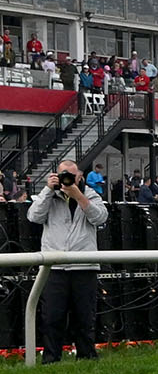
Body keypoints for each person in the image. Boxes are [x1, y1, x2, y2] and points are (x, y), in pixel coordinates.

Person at [27, 155, 106, 363]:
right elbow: (33, 217)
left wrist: (79, 196)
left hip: (85, 265)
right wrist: (47, 190)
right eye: (64, 176)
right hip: (54, 266)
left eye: (71, 176)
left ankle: (87, 357)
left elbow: (100, 218)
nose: (68, 180)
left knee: (85, 317)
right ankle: (51, 359)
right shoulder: (49, 195)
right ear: (56, 176)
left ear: (80, 176)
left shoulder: (90, 194)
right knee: (52, 317)